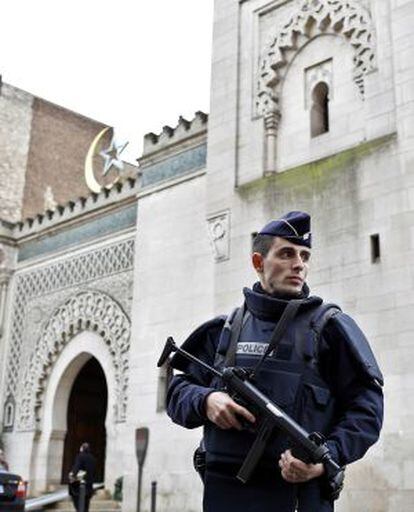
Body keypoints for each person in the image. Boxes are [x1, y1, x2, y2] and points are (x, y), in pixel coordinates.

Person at [166, 211, 384, 512]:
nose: (299, 264)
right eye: (286, 253)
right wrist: (206, 400)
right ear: (258, 262)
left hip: (297, 497)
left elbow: (367, 410)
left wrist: (323, 460)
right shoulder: (223, 331)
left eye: (304, 256)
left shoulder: (330, 330)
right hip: (225, 494)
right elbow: (176, 392)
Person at [69, 442, 96, 512]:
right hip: (89, 485)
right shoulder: (92, 458)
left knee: (78, 504)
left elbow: (77, 467)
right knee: (86, 504)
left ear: (82, 448)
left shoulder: (80, 456)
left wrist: (72, 476)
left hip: (80, 486)